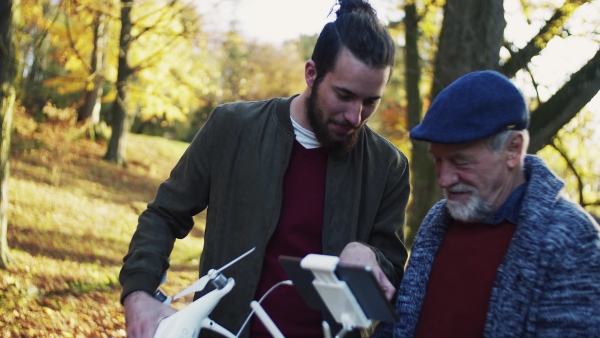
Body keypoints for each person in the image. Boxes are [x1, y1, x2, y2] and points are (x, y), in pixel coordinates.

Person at [120, 0, 411, 337]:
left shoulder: (388, 167)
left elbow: (391, 279)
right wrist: (139, 294)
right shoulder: (231, 127)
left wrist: (370, 256)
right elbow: (164, 215)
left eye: (370, 101)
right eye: (344, 95)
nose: (355, 116)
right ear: (311, 74)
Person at [373, 70, 600, 337]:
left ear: (513, 150)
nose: (444, 179)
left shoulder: (573, 239)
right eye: (438, 160)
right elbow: (398, 326)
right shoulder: (438, 221)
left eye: (461, 161)